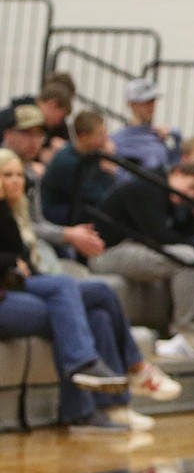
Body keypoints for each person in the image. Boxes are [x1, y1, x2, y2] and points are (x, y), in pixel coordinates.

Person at [0, 148, 181, 433]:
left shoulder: (14, 212)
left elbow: (23, 262)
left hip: (22, 288)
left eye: (18, 175)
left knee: (99, 304)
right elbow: (12, 261)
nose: (14, 181)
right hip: (6, 296)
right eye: (6, 175)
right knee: (66, 297)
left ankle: (106, 407)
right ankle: (107, 369)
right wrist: (12, 264)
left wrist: (18, 265)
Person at [89, 163, 194, 349]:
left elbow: (175, 234)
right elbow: (157, 235)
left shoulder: (166, 194)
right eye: (191, 187)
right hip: (107, 252)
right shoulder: (149, 186)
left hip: (131, 247)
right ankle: (184, 330)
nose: (190, 195)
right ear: (177, 172)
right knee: (189, 259)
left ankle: (188, 327)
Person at [1, 104, 105, 261]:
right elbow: (19, 226)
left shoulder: (31, 174)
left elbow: (35, 222)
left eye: (39, 135)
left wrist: (69, 234)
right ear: (8, 135)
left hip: (29, 246)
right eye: (27, 134)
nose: (34, 142)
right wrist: (68, 234)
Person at [40, 110, 118, 228]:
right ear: (83, 136)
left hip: (77, 207)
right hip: (57, 213)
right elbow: (96, 195)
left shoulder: (92, 154)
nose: (106, 139)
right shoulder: (67, 161)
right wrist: (108, 170)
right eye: (100, 135)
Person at [111, 78, 182, 179]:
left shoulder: (159, 137)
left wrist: (175, 134)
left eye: (152, 101)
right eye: (145, 102)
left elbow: (175, 163)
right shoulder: (116, 140)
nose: (151, 106)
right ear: (131, 104)